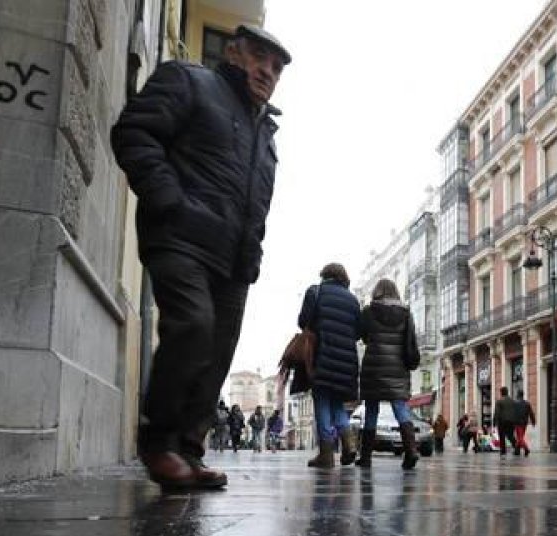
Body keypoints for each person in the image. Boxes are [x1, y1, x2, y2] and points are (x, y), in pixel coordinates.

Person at [111, 25, 291, 488]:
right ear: (233, 53)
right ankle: (159, 442)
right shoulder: (189, 82)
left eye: (276, 68)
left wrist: (252, 254)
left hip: (233, 261)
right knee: (192, 327)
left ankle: (189, 450)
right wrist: (167, 200)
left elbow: (257, 204)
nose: (267, 72)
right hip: (181, 238)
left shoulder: (266, 137)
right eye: (260, 58)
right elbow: (136, 133)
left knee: (216, 354)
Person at [296, 263, 361, 468]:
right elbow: (358, 331)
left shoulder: (316, 292)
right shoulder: (353, 300)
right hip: (347, 360)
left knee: (322, 400)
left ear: (324, 275)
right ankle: (349, 444)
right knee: (337, 403)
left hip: (322, 355)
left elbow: (302, 321)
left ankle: (326, 454)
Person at [358, 279, 423, 470]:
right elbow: (410, 339)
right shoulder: (405, 313)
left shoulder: (369, 311)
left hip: (374, 366)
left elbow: (363, 336)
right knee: (400, 408)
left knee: (371, 410)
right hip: (397, 367)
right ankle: (411, 450)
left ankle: (366, 457)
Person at [493, 387, 520, 458]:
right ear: (507, 392)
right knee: (510, 436)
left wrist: (494, 422)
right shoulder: (513, 401)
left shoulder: (499, 401)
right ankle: (517, 448)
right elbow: (516, 411)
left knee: (502, 436)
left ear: (501, 392)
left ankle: (503, 451)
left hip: (502, 421)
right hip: (512, 421)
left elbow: (497, 412)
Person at [514, 390, 536, 457]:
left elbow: (512, 414)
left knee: (520, 437)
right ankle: (517, 450)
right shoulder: (527, 403)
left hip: (517, 423)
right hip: (524, 423)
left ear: (518, 395)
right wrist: (533, 422)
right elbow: (531, 413)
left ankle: (526, 449)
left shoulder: (515, 404)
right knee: (520, 437)